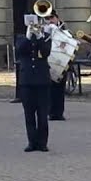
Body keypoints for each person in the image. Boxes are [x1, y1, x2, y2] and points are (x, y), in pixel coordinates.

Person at [17, 17, 54, 151]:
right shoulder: (21, 37)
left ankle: (42, 143)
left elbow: (46, 52)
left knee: (43, 114)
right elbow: (20, 51)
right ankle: (32, 142)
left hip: (42, 80)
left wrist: (39, 37)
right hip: (27, 80)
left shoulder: (46, 37)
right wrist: (28, 37)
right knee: (29, 114)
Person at [46, 12, 68, 121]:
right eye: (47, 18)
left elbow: (67, 43)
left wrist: (58, 32)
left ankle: (59, 113)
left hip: (61, 61)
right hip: (49, 61)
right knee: (49, 88)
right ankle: (50, 112)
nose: (50, 20)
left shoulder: (63, 28)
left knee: (60, 88)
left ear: (57, 18)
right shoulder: (45, 30)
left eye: (52, 18)